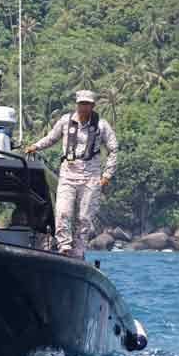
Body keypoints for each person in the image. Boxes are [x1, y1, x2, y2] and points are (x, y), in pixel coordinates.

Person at [25, 90, 118, 258]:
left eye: (87, 104)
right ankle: (64, 246)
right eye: (81, 103)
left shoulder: (101, 125)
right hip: (68, 173)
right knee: (63, 212)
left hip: (91, 176)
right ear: (77, 104)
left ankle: (79, 250)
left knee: (84, 217)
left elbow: (113, 149)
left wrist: (107, 175)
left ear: (93, 105)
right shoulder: (66, 121)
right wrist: (35, 146)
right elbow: (51, 138)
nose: (84, 107)